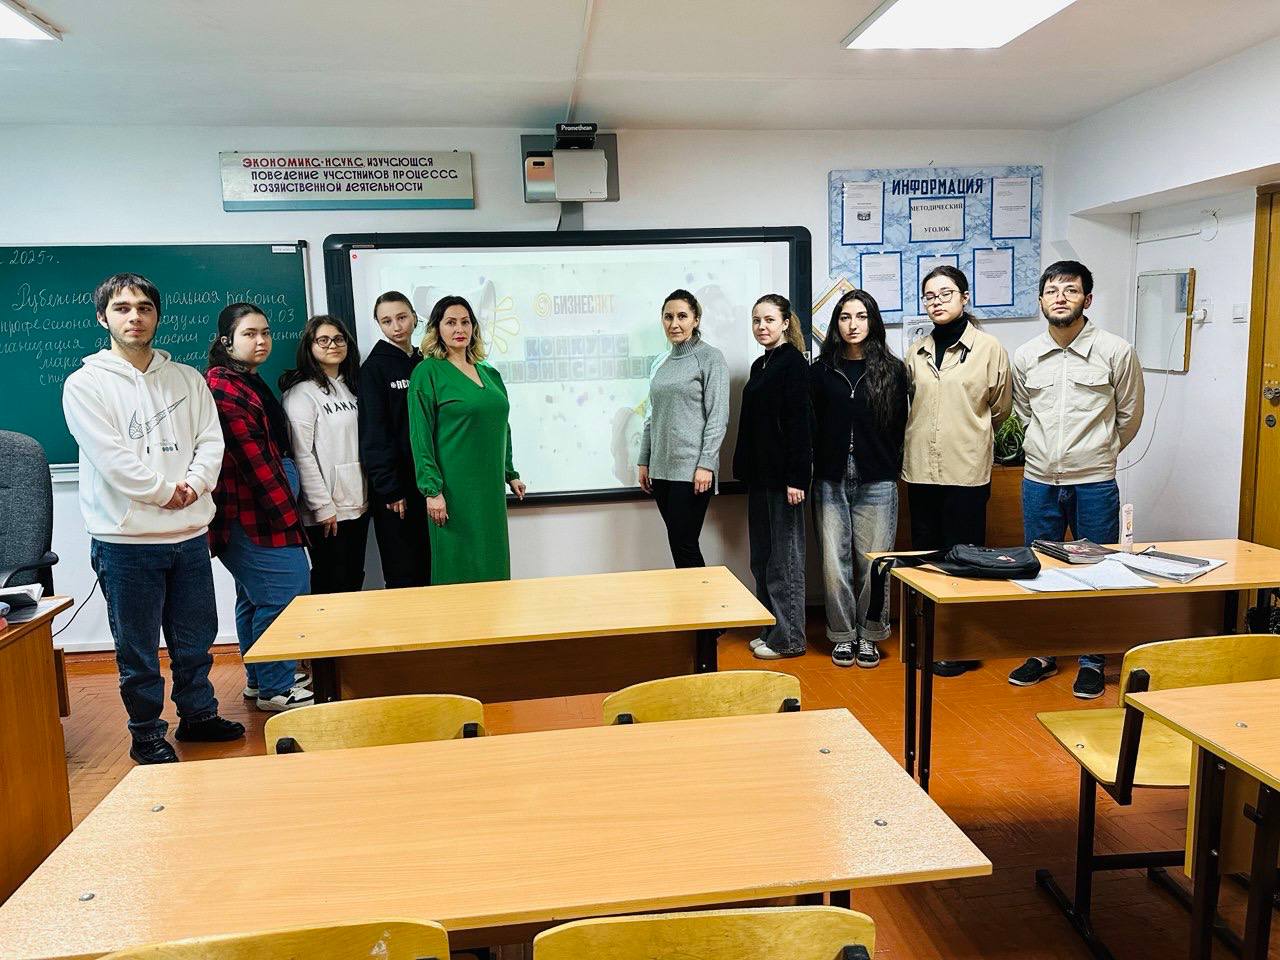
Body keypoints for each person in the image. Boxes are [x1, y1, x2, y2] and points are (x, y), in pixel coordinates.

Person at [62, 273, 244, 764]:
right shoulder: (85, 384)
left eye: (144, 308)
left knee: (195, 639)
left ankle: (198, 716)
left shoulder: (187, 378)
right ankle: (146, 734)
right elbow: (111, 457)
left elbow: (211, 440)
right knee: (138, 650)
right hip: (126, 541)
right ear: (103, 318)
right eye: (122, 308)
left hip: (189, 534)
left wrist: (194, 486)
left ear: (157, 316)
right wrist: (165, 493)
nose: (134, 317)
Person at [1008, 261, 1145, 699]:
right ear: (1041, 301)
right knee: (1040, 568)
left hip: (1094, 482)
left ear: (1087, 299)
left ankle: (1091, 659)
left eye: (1070, 290)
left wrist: (1100, 452)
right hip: (1039, 480)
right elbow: (1023, 413)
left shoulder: (1115, 351)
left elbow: (1129, 415)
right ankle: (1043, 652)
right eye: (1052, 290)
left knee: (1096, 568)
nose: (1060, 297)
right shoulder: (1026, 355)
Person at [903, 265, 1012, 677]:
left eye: (945, 293)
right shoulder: (916, 351)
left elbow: (1000, 407)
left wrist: (967, 432)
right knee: (926, 561)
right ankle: (927, 641)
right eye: (930, 296)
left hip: (966, 472)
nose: (937, 302)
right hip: (921, 471)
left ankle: (960, 645)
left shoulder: (989, 348)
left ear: (965, 297)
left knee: (964, 561)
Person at [206, 302, 313, 712]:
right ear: (226, 341)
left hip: (260, 507)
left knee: (256, 597)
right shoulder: (223, 387)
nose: (261, 341)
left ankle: (261, 678)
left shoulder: (245, 378)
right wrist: (289, 518)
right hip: (253, 511)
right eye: (250, 334)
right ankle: (276, 689)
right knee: (284, 592)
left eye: (265, 332)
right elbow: (254, 463)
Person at [811, 289, 910, 669]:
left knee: (875, 563)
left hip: (877, 479)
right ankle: (841, 634)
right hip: (830, 478)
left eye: (861, 316)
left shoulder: (893, 370)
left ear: (873, 321)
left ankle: (869, 633)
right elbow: (812, 425)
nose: (853, 325)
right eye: (845, 317)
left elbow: (901, 426)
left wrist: (888, 464)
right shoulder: (821, 371)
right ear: (835, 324)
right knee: (833, 564)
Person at [407, 295, 526, 584]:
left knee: (492, 562)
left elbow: (502, 426)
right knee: (457, 567)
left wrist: (510, 473)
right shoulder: (427, 372)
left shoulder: (490, 373)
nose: (459, 329)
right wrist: (432, 491)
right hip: (452, 491)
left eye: (465, 322)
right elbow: (420, 437)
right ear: (437, 329)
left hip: (489, 490)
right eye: (451, 322)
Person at [732, 294, 811, 661]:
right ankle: (770, 627)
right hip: (761, 479)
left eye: (768, 320)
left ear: (785, 323)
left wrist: (797, 478)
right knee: (762, 560)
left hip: (784, 482)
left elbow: (800, 425)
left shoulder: (794, 364)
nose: (761, 327)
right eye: (756, 320)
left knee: (785, 562)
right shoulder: (760, 365)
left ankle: (789, 638)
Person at [637, 289, 730, 568]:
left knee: (685, 545)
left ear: (696, 319)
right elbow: (651, 416)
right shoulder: (662, 363)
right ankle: (692, 597)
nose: (674, 324)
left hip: (691, 471)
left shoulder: (710, 358)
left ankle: (704, 598)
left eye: (682, 316)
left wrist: (706, 464)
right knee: (679, 546)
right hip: (661, 471)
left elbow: (718, 417)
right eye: (668, 317)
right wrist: (644, 460)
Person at [280, 315, 369, 594]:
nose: (333, 345)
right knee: (331, 583)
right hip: (327, 510)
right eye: (323, 340)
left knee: (353, 578)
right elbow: (302, 454)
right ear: (310, 347)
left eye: (339, 339)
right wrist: (321, 506)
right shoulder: (301, 394)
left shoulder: (352, 387)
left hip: (358, 502)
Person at [359, 291, 431, 588]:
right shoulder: (373, 369)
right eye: (387, 321)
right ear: (378, 325)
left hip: (431, 484)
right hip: (397, 491)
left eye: (402, 317)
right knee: (404, 573)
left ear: (414, 316)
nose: (397, 326)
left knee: (434, 569)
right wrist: (389, 489)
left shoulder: (427, 362)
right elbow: (374, 433)